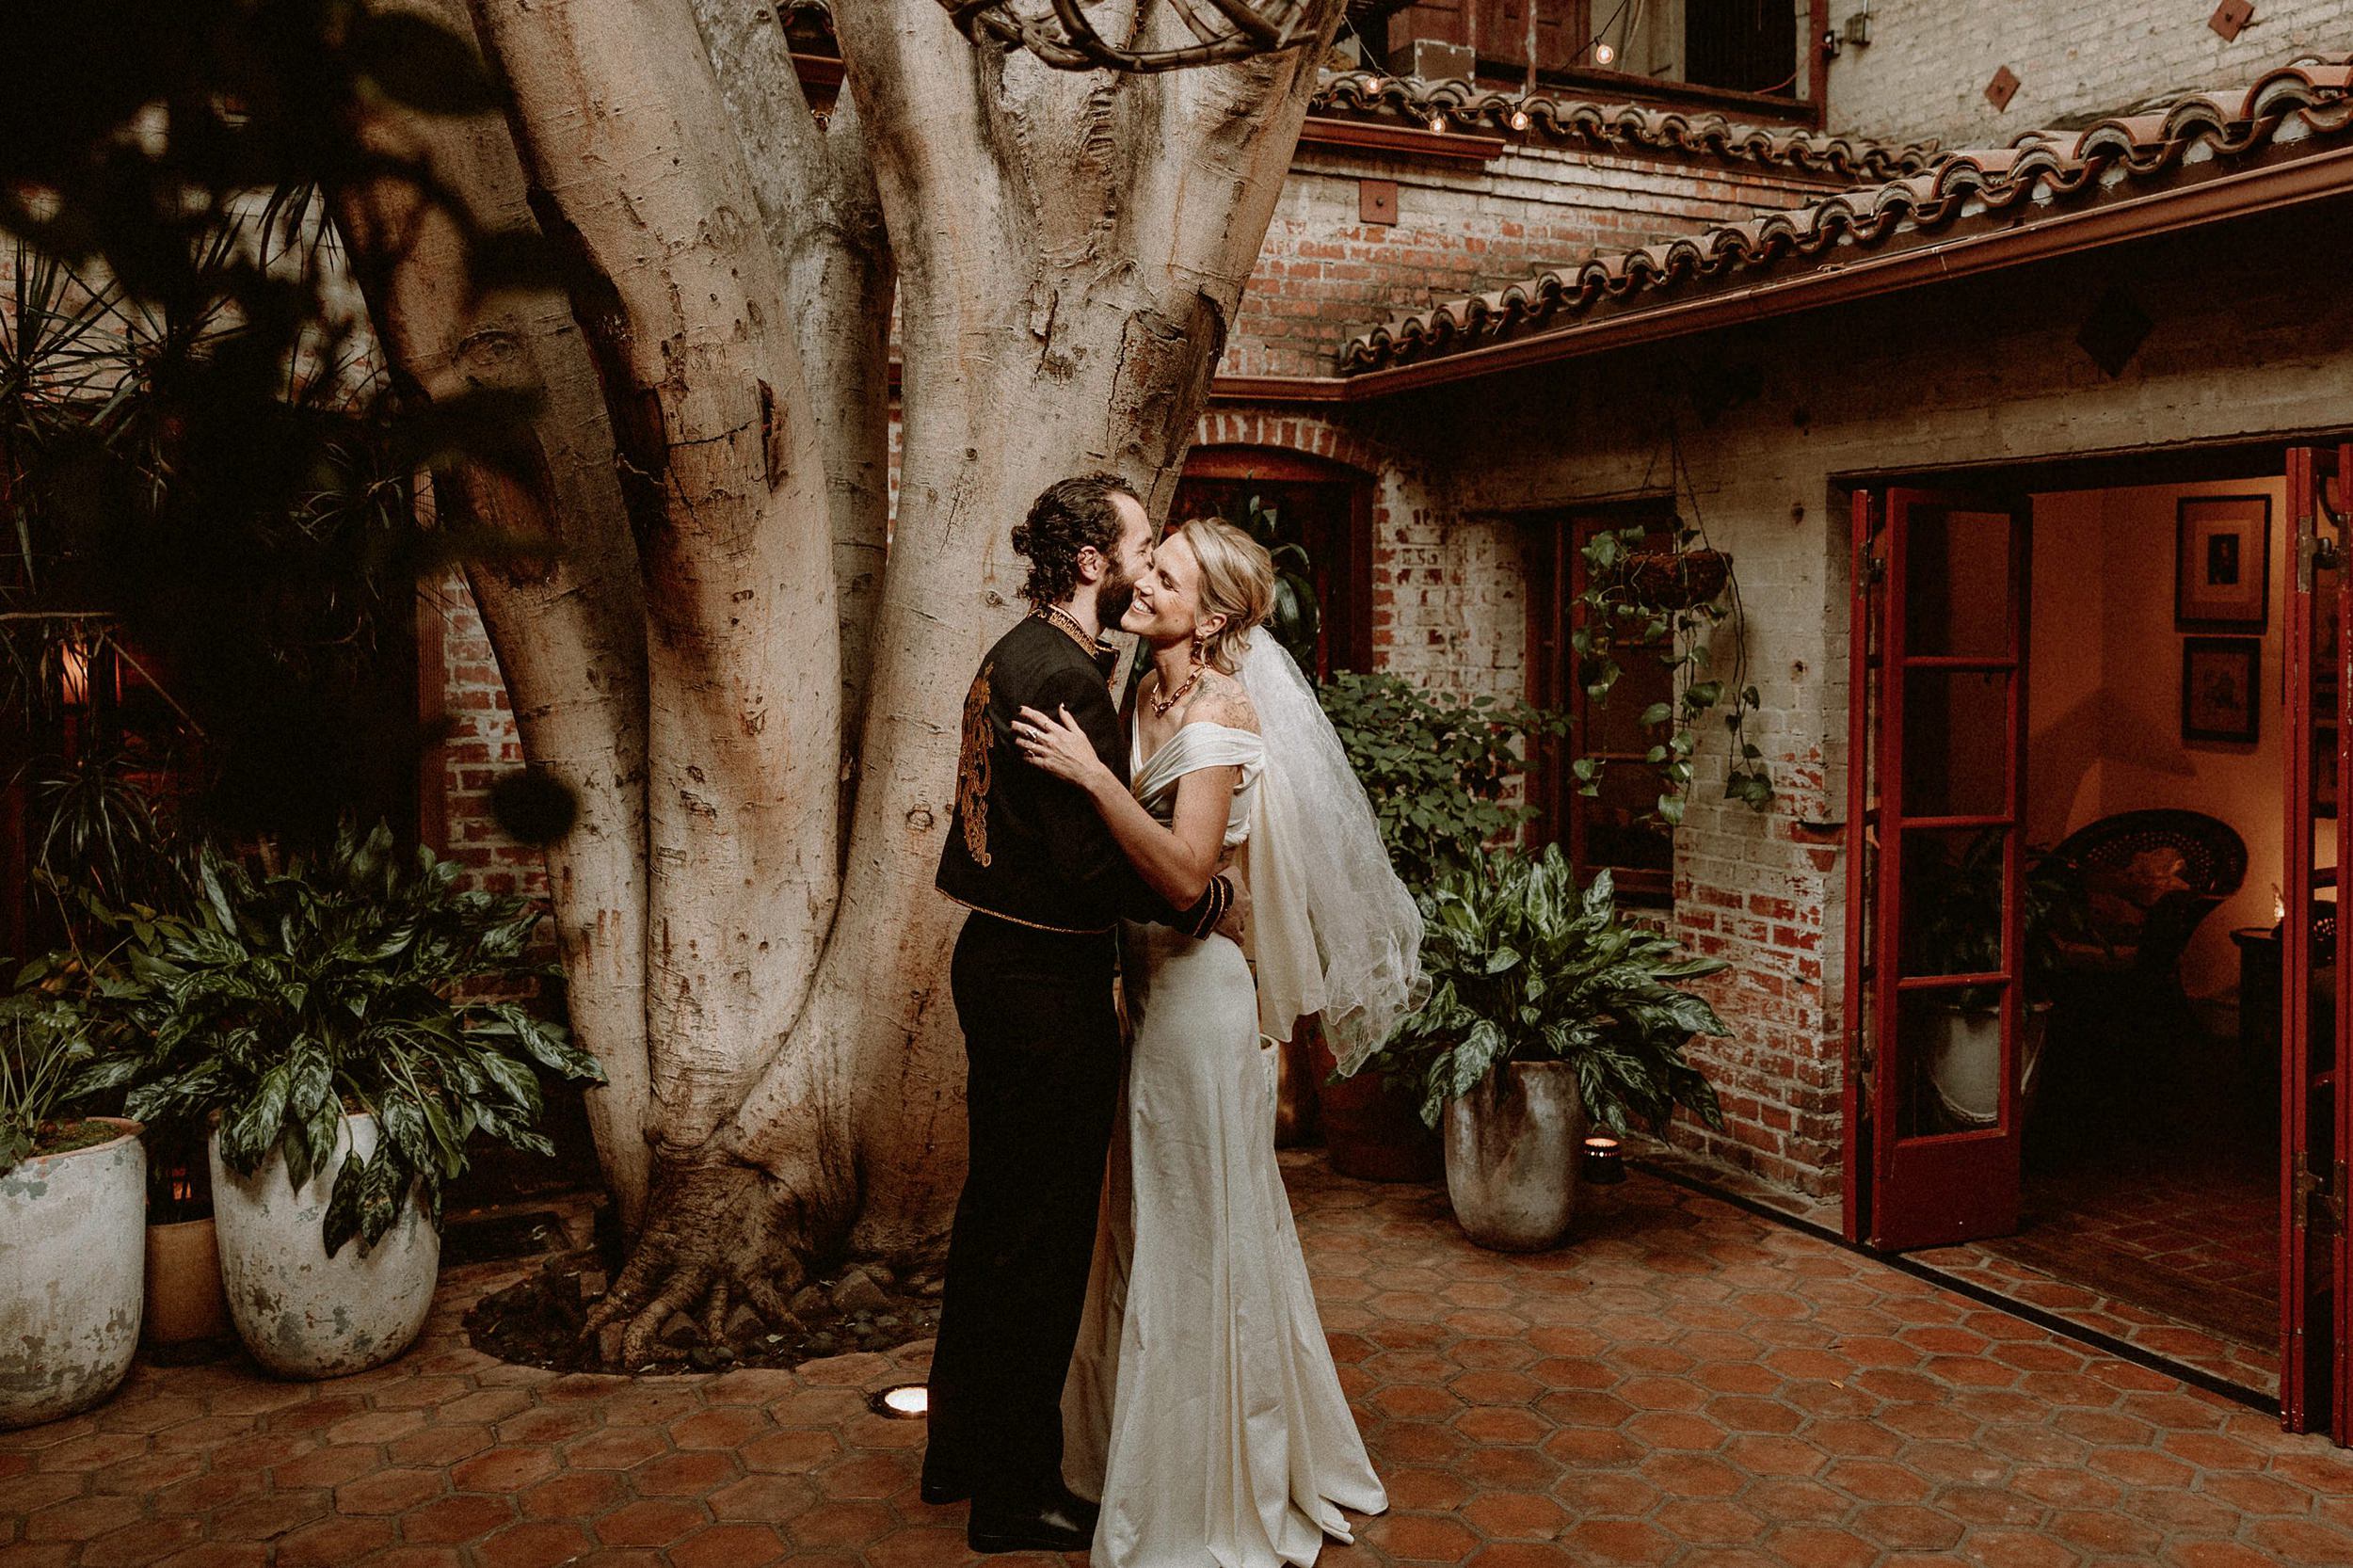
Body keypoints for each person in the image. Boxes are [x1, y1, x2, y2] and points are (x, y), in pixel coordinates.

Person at [1014, 516, 1426, 1568]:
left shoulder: (1222, 708)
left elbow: (1192, 876)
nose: (1144, 581)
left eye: (1168, 576)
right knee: (1146, 1223)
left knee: (1200, 1230)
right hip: (1144, 995)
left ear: (1213, 618)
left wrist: (1095, 779)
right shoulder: (1140, 692)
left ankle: (1210, 1489)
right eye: (1150, 564)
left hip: (1200, 1006)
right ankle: (1126, 1460)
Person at [927, 474, 1241, 1556]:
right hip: (1044, 986)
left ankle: (958, 1449)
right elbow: (1091, 865)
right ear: (1092, 563)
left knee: (993, 1218)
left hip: (996, 961)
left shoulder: (1019, 648)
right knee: (1043, 1239)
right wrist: (1198, 899)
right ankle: (1014, 1495)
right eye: (1140, 543)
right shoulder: (1069, 677)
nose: (1150, 561)